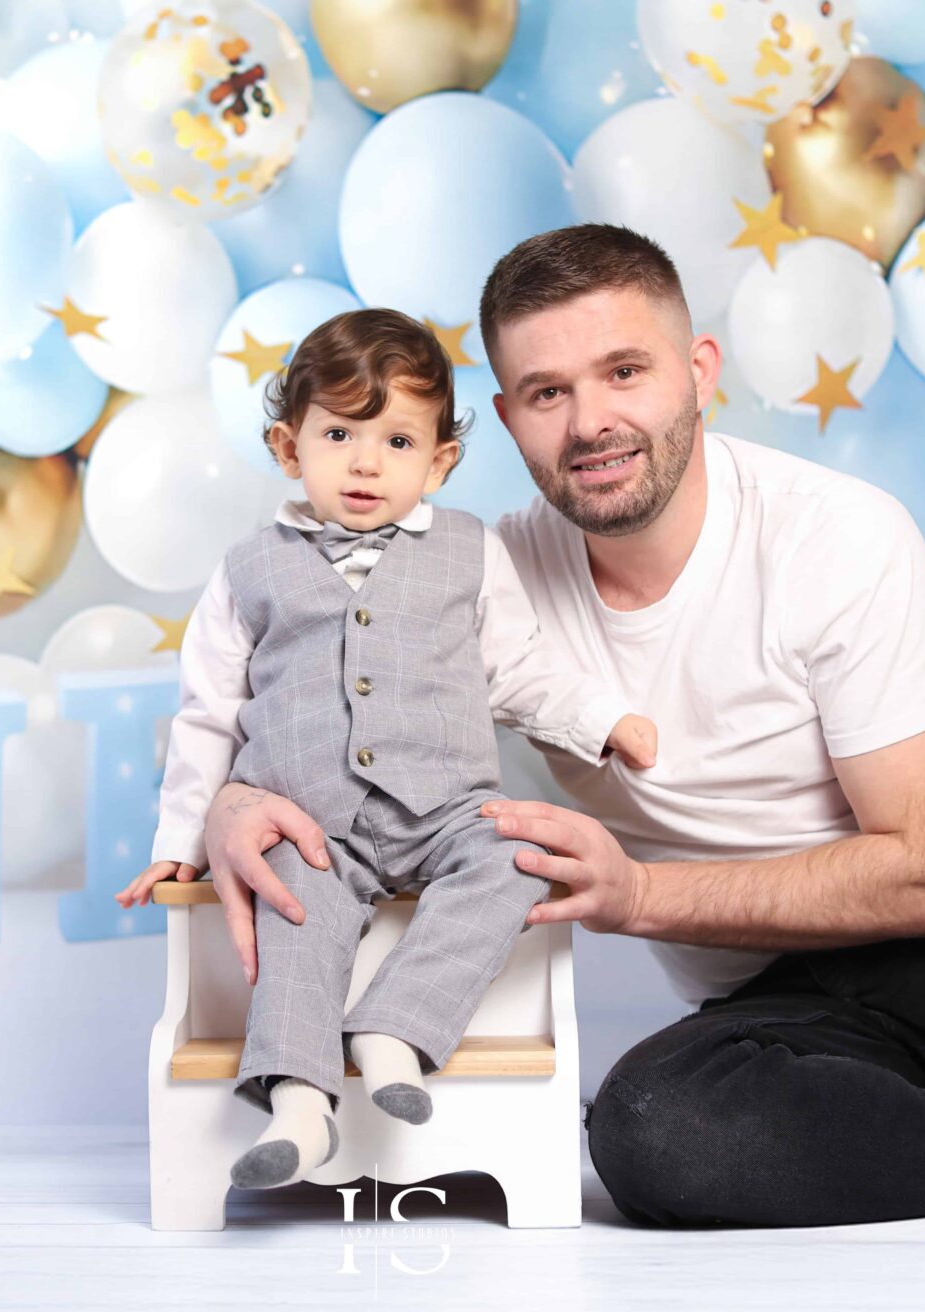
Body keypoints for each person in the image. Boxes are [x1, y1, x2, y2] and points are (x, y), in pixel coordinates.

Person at [194, 223, 925, 1226]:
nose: (591, 421)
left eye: (625, 371)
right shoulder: (474, 579)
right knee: (660, 1136)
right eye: (549, 393)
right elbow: (309, 676)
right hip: (770, 984)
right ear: (503, 418)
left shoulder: (833, 533)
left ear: (698, 371)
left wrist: (640, 895)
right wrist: (237, 796)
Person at [116, 306, 659, 1193]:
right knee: (295, 903)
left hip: (443, 810)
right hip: (307, 820)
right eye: (339, 433)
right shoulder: (249, 568)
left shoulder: (468, 553)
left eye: (399, 441)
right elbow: (208, 711)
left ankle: (396, 1028)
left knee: (520, 850)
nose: (367, 462)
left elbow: (517, 671)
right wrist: (176, 845)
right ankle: (299, 1101)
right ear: (289, 447)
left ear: (440, 460)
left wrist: (603, 721)